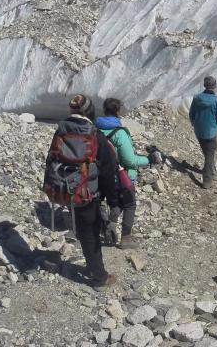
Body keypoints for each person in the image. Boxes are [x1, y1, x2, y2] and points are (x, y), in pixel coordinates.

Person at [54, 94, 119, 287]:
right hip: (89, 192)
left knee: (82, 229)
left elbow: (53, 159)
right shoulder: (94, 135)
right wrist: (113, 200)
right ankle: (99, 276)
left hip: (67, 188)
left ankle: (93, 267)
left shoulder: (61, 132)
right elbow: (108, 171)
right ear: (89, 112)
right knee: (91, 231)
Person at [96, 98, 148, 249]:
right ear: (118, 112)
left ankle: (107, 227)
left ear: (105, 110)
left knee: (108, 202)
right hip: (120, 176)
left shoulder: (95, 130)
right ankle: (126, 238)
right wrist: (148, 160)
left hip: (100, 175)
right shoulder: (119, 133)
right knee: (129, 204)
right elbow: (130, 161)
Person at [189, 76, 217, 189]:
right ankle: (207, 180)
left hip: (199, 130)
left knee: (206, 151)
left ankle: (211, 169)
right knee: (210, 154)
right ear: (214, 86)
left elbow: (191, 114)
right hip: (211, 131)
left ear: (205, 85)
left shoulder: (197, 98)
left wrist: (195, 123)